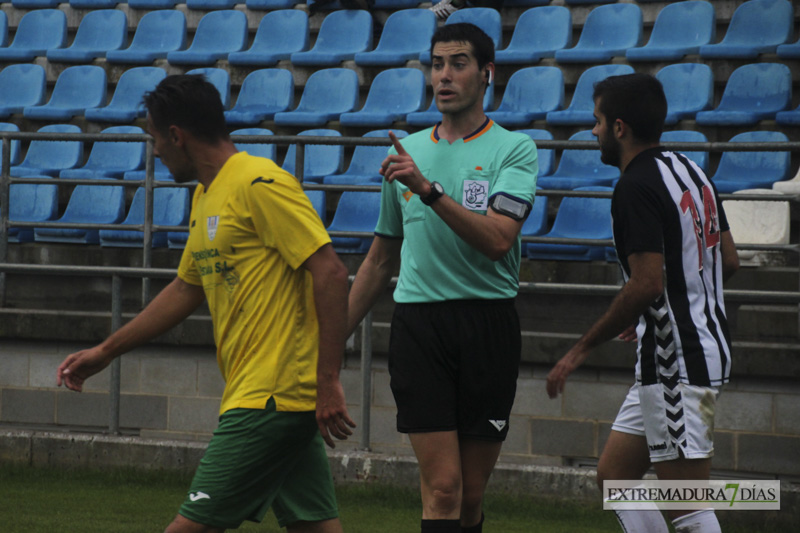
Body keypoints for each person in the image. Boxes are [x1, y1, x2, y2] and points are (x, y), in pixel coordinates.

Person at [56, 74, 356, 533]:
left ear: (176, 135)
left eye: (155, 139)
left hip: (271, 396)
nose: (154, 152)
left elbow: (332, 272)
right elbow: (185, 288)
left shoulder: (259, 182)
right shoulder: (207, 194)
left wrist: (328, 379)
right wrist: (105, 352)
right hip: (269, 395)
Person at [347, 23, 538, 533]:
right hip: (421, 327)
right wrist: (328, 341)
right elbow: (380, 261)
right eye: (437, 64)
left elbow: (498, 241)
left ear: (487, 74)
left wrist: (428, 189)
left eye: (458, 63)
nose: (444, 76)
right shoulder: (406, 153)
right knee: (444, 489)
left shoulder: (514, 149)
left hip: (488, 326)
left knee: (471, 497)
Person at [546, 73, 739, 533]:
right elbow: (727, 260)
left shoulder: (633, 186)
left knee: (688, 507)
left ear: (619, 127)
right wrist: (661, 307)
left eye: (596, 121)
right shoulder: (692, 171)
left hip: (677, 365)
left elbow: (646, 283)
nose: (591, 131)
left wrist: (578, 351)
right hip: (694, 352)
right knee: (615, 478)